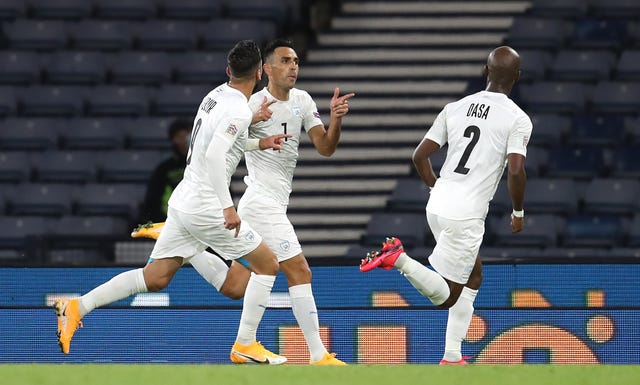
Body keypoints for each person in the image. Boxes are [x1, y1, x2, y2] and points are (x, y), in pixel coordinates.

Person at [54, 40, 291, 365]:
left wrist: (259, 139)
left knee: (157, 278)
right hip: (207, 207)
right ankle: (245, 346)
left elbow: (218, 139)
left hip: (184, 200)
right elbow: (214, 153)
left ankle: (78, 306)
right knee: (268, 266)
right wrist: (227, 207)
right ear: (259, 74)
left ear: (228, 71)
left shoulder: (215, 96)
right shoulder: (236, 108)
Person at [132, 38, 355, 365]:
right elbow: (223, 138)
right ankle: (317, 355)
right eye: (285, 61)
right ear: (265, 69)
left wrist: (336, 119)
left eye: (295, 61)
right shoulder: (251, 103)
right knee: (299, 271)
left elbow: (325, 147)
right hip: (259, 200)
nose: (293, 66)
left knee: (237, 286)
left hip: (275, 201)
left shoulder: (304, 101)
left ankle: (189, 247)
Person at [359, 46, 531, 365]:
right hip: (466, 213)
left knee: (473, 273)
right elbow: (517, 170)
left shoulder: (456, 107)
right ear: (517, 77)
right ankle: (399, 259)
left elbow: (420, 156)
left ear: (485, 71)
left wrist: (435, 188)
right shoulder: (518, 119)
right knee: (448, 296)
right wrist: (518, 211)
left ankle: (452, 356)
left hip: (438, 203)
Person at [141, 118, 193, 223]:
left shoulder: (205, 165)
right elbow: (152, 202)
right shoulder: (164, 170)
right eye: (180, 137)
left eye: (188, 136)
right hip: (171, 223)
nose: (185, 140)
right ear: (174, 140)